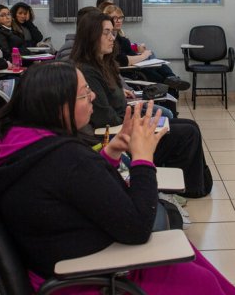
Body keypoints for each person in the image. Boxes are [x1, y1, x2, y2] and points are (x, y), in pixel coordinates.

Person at [0, 62, 235, 294]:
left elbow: (67, 187)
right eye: (84, 94)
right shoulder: (65, 157)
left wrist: (111, 151)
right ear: (58, 107)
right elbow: (138, 228)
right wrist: (143, 158)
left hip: (61, 261)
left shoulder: (20, 145)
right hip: (87, 278)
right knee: (198, 279)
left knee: (187, 252)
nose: (93, 96)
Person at [70, 11, 212, 199]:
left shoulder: (103, 64)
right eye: (107, 33)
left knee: (190, 125)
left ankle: (197, 182)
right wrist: (138, 122)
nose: (112, 38)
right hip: (117, 134)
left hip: (125, 124)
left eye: (113, 32)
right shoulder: (88, 70)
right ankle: (193, 187)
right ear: (91, 35)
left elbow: (116, 104)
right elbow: (104, 118)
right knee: (187, 133)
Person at [102, 5, 190, 93]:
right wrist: (143, 55)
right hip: (126, 72)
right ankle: (171, 86)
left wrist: (141, 54)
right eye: (115, 18)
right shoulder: (108, 40)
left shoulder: (122, 39)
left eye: (121, 17)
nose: (119, 21)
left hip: (133, 67)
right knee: (158, 77)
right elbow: (122, 60)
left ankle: (173, 79)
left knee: (160, 64)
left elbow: (131, 54)